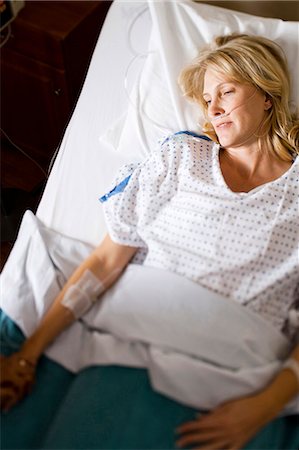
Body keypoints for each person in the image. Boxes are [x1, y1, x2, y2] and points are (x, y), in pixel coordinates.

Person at [1, 33, 298, 449]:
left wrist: (262, 407)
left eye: (226, 91)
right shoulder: (181, 158)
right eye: (207, 98)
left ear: (268, 95)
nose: (212, 109)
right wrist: (28, 353)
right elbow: (106, 262)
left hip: (238, 372)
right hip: (133, 342)